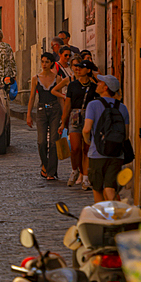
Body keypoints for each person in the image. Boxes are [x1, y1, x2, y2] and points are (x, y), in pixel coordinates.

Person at [83, 74, 130, 202]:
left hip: (97, 153)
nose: (97, 84)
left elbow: (87, 129)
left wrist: (88, 140)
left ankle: (102, 218)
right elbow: (126, 135)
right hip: (116, 154)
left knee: (97, 189)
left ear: (105, 87)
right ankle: (116, 216)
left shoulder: (93, 105)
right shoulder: (123, 108)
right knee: (110, 188)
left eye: (100, 83)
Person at [52, 59, 97, 190]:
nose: (78, 69)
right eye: (77, 67)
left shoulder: (94, 87)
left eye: (81, 68)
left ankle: (85, 177)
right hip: (74, 117)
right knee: (75, 148)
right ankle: (74, 170)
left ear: (88, 70)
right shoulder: (73, 85)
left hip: (88, 117)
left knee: (86, 149)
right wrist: (63, 122)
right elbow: (67, 105)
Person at [26, 52, 64, 181]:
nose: (44, 64)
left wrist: (64, 116)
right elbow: (32, 98)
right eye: (42, 61)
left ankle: (51, 172)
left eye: (47, 62)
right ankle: (45, 165)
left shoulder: (57, 79)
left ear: (51, 63)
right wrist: (28, 115)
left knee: (54, 142)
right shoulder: (36, 78)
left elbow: (60, 98)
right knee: (41, 142)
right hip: (41, 110)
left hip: (55, 110)